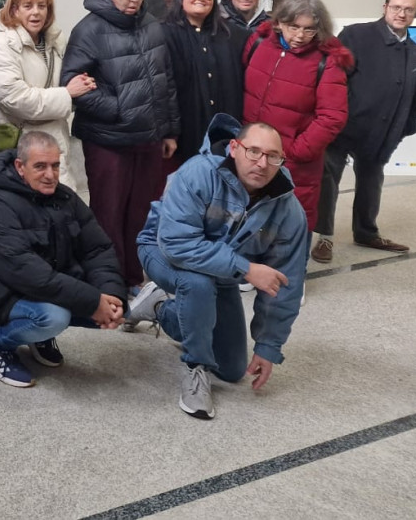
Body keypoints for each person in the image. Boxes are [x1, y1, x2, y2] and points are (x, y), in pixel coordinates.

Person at [132, 116, 307, 419]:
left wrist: (268, 346)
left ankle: (158, 307)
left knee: (231, 368)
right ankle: (194, 366)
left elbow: (285, 284)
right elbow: (176, 245)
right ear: (235, 148)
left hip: (223, 273)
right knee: (197, 284)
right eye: (254, 151)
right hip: (160, 250)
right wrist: (246, 268)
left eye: (272, 156)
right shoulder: (197, 173)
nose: (262, 163)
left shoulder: (289, 210)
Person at [0, 131, 126, 388]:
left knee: (114, 308)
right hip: (1, 290)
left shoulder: (64, 197)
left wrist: (110, 293)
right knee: (53, 317)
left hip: (47, 283)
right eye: (40, 166)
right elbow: (26, 272)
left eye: (55, 165)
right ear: (20, 166)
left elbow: (96, 249)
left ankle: (40, 337)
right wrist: (90, 300)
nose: (51, 174)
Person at [60, 0, 179, 292]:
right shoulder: (88, 30)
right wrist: (120, 109)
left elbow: (166, 81)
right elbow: (73, 85)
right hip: (107, 139)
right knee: (108, 214)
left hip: (149, 138)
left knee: (141, 212)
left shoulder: (153, 26)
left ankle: (133, 278)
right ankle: (108, 282)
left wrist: (169, 130)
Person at [312, 0, 416, 261]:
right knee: (328, 179)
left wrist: (407, 126)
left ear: (414, 13)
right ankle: (323, 237)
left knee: (371, 181)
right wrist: (331, 116)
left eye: (408, 9)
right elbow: (332, 77)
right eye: (396, 7)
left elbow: (415, 97)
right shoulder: (356, 35)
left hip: (381, 132)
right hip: (343, 127)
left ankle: (366, 232)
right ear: (384, 7)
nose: (401, 13)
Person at [242, 0, 352, 234]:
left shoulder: (327, 61)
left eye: (309, 29)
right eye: (294, 27)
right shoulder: (258, 43)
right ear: (279, 23)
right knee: (247, 222)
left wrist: (296, 151)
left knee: (288, 227)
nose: (300, 36)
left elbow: (332, 116)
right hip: (250, 154)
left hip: (293, 162)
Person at [0, 0, 95, 191]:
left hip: (55, 144)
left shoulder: (54, 43)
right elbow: (15, 99)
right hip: (21, 149)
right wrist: (67, 94)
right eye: (28, 6)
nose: (36, 13)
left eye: (42, 6)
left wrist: (82, 85)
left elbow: (69, 84)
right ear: (14, 10)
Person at [162, 0, 246, 165]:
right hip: (184, 128)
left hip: (221, 128)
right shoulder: (164, 33)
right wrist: (168, 132)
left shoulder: (228, 34)